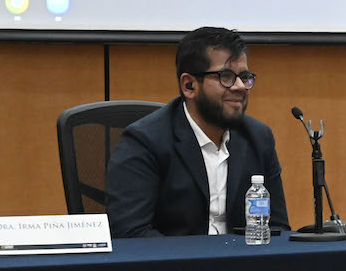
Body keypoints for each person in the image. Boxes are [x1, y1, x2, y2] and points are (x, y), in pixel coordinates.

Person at [106, 26, 290, 237]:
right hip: (175, 258)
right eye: (226, 76)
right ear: (189, 86)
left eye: (244, 77)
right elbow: (131, 233)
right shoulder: (145, 141)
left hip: (243, 257)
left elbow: (277, 228)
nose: (240, 86)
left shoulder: (258, 138)